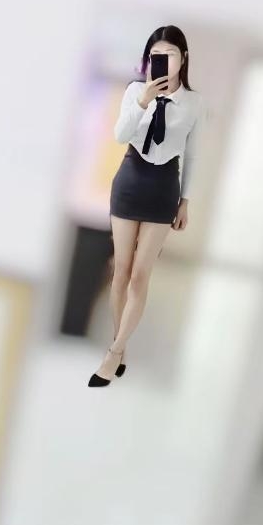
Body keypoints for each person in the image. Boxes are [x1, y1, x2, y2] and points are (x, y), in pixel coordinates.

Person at [88, 25, 205, 387]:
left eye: (170, 55)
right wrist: (143, 101)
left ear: (183, 58)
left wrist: (185, 201)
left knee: (140, 274)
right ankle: (119, 345)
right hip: (130, 182)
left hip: (164, 188)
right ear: (148, 59)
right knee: (121, 270)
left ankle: (113, 352)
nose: (163, 61)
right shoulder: (134, 91)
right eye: (156, 55)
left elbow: (193, 155)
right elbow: (120, 135)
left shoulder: (194, 103)